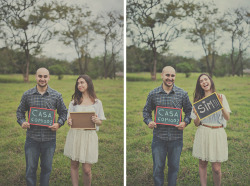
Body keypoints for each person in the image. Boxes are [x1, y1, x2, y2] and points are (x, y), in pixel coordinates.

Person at [16, 67, 68, 186]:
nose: (42, 79)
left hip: (49, 140)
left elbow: (64, 112)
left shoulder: (56, 95)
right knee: (30, 169)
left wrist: (58, 123)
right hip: (32, 139)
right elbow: (20, 112)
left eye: (45, 76)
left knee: (46, 169)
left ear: (49, 78)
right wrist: (22, 122)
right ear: (36, 77)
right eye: (40, 76)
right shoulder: (27, 95)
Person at [143, 66, 192, 186]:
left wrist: (185, 122)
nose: (170, 78)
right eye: (167, 75)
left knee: (174, 168)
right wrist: (149, 121)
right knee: (158, 168)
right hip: (159, 138)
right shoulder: (153, 94)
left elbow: (190, 111)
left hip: (176, 138)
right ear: (162, 75)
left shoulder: (182, 94)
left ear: (175, 76)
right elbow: (146, 112)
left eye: (173, 76)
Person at [64, 75, 106, 186]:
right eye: (78, 83)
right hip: (76, 135)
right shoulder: (74, 102)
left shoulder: (97, 103)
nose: (79, 85)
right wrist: (69, 122)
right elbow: (69, 119)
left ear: (88, 84)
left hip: (89, 136)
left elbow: (100, 121)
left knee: (87, 170)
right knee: (74, 164)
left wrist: (97, 120)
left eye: (82, 82)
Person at [191, 73, 231, 186]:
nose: (204, 82)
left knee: (216, 168)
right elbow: (196, 123)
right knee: (203, 163)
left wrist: (221, 105)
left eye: (205, 79)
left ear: (210, 81)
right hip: (204, 131)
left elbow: (227, 117)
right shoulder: (198, 101)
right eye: (201, 81)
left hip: (218, 133)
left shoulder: (220, 96)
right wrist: (198, 114)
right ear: (200, 85)